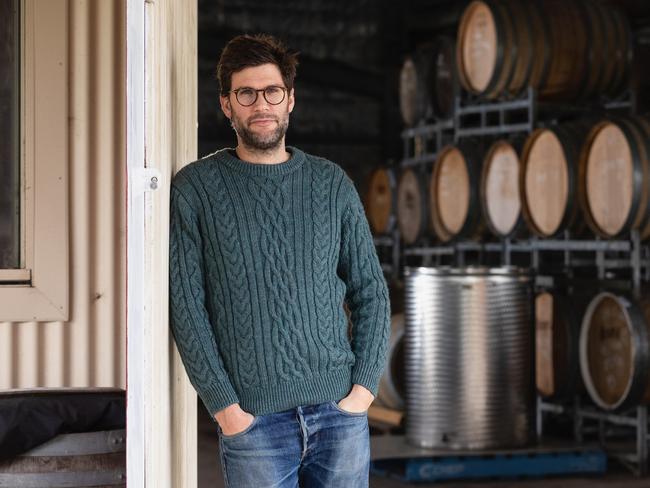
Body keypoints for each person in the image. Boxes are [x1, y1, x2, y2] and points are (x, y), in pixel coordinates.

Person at [169, 33, 391, 488]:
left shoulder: (331, 184)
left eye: (272, 92)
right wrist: (226, 409)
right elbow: (186, 307)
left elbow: (371, 289)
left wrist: (363, 389)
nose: (261, 105)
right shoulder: (196, 190)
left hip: (339, 417)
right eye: (245, 94)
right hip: (254, 423)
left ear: (290, 99)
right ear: (226, 105)